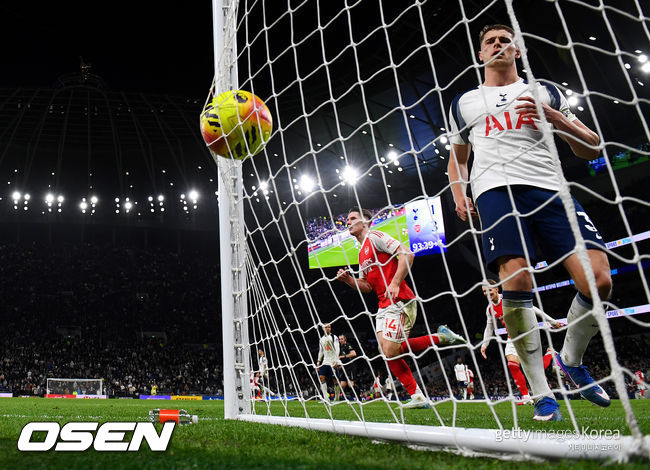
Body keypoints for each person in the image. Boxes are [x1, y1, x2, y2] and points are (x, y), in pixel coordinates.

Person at [448, 24, 611, 421]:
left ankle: (570, 360)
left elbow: (592, 147)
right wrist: (459, 193)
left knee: (599, 280)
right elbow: (458, 158)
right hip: (495, 192)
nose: (498, 45)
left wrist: (555, 118)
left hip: (551, 189)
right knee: (517, 281)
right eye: (490, 41)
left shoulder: (545, 91)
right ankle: (541, 394)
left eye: (505, 40)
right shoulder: (464, 103)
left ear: (517, 50)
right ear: (480, 54)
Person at [337, 207, 466, 409]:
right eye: (347, 219)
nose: (348, 222)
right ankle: (418, 396)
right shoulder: (361, 253)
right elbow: (367, 286)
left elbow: (407, 253)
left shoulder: (375, 237)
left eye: (352, 218)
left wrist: (396, 282)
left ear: (365, 222)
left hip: (400, 300)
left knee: (390, 349)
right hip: (383, 305)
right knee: (386, 351)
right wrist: (349, 280)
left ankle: (440, 338)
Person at [481, 279, 559, 405]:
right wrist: (485, 344)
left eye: (489, 290)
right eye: (484, 291)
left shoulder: (509, 299)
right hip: (512, 336)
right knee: (512, 364)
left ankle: (550, 354)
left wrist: (552, 321)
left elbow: (532, 308)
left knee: (535, 370)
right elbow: (489, 327)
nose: (487, 293)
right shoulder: (490, 309)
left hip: (527, 332)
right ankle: (526, 396)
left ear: (496, 289)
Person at [316, 324, 340, 402]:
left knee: (335, 380)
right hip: (325, 361)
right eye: (326, 327)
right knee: (321, 377)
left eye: (329, 327)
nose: (327, 328)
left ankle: (337, 397)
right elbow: (321, 351)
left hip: (333, 362)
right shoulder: (321, 339)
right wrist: (318, 362)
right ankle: (326, 398)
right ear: (323, 329)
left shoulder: (334, 337)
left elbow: (337, 349)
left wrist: (336, 360)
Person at [338, 334, 358, 400]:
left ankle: (358, 396)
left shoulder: (347, 345)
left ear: (345, 339)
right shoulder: (340, 347)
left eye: (342, 339)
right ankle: (342, 398)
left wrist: (344, 356)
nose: (340, 340)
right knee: (342, 385)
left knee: (350, 384)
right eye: (339, 339)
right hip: (344, 367)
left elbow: (354, 354)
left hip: (350, 367)